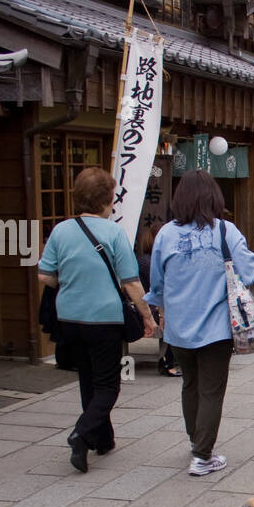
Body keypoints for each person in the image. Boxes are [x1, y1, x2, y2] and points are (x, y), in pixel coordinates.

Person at [38, 168, 156, 473]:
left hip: (69, 318)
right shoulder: (114, 232)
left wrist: (72, 281)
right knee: (108, 386)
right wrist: (148, 316)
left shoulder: (60, 231)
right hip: (104, 318)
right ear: (107, 201)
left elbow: (45, 275)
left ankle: (102, 439)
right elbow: (131, 282)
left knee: (87, 379)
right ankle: (81, 432)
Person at [145, 170, 254, 477]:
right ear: (214, 198)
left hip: (178, 327)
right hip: (216, 328)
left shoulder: (166, 234)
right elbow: (248, 274)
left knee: (190, 384)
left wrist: (158, 307)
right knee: (211, 390)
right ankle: (202, 455)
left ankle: (196, 441)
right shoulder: (226, 231)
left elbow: (156, 282)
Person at [137, 223, 179, 377]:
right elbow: (160, 288)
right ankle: (167, 360)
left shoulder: (152, 260)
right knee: (176, 316)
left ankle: (170, 358)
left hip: (156, 306)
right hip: (146, 310)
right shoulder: (147, 262)